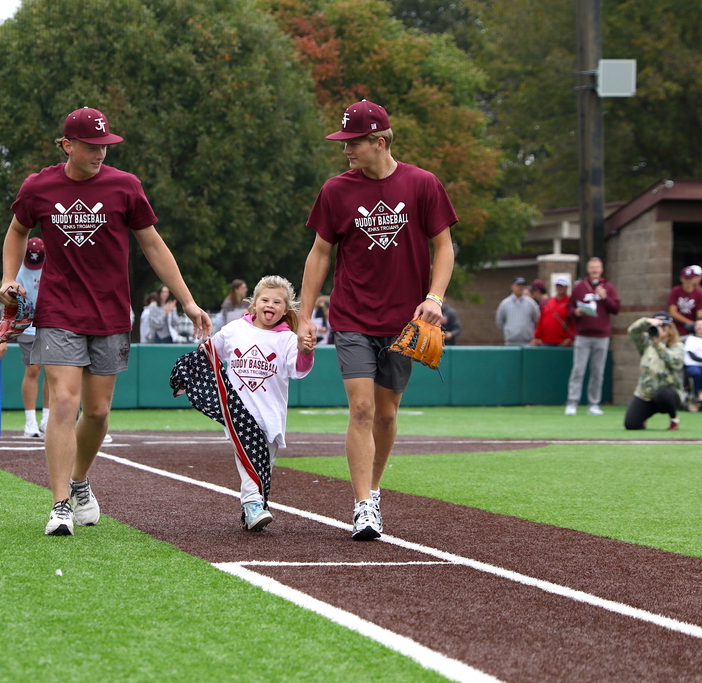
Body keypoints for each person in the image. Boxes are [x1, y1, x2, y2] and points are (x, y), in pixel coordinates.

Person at [0, 106, 211, 536]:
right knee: (62, 402)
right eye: (92, 146)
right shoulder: (38, 186)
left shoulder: (125, 186)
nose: (100, 153)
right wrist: (8, 278)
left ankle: (79, 483)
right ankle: (59, 504)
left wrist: (187, 301)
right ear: (67, 145)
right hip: (58, 311)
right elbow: (17, 231)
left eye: (105, 146)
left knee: (96, 412)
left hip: (112, 313)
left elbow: (153, 245)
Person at [298, 100, 457, 540]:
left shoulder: (422, 184)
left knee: (386, 415)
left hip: (404, 322)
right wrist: (305, 315)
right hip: (351, 317)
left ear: (380, 142)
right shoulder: (336, 190)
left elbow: (443, 247)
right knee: (362, 408)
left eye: (354, 142)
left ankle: (375, 487)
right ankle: (363, 505)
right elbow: (320, 253)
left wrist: (434, 297)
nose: (346, 149)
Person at [206, 275, 315, 530]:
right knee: (249, 457)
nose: (270, 305)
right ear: (253, 304)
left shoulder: (287, 339)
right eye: (265, 300)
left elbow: (297, 369)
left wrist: (306, 352)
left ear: (285, 310)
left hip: (271, 414)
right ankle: (253, 504)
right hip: (240, 412)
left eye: (277, 302)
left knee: (264, 464)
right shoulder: (235, 330)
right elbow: (211, 352)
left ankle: (254, 505)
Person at [0, 237, 51, 437]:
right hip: (27, 326)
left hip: (50, 323)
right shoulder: (17, 271)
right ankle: (30, 423)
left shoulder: (53, 267)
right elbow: (9, 304)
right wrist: (2, 338)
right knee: (33, 369)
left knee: (52, 372)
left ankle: (47, 420)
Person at [565, 257, 620, 416]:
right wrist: (576, 312)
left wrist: (605, 297)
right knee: (578, 370)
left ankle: (593, 404)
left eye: (597, 267)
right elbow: (570, 306)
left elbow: (616, 308)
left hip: (602, 336)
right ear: (587, 270)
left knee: (597, 372)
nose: (595, 270)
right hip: (583, 335)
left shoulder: (608, 287)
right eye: (592, 267)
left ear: (602, 269)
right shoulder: (580, 287)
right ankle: (572, 402)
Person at [623, 313, 685, 431]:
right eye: (658, 326)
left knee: (663, 395)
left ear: (670, 328)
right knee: (631, 424)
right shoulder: (646, 343)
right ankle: (644, 417)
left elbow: (674, 362)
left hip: (669, 393)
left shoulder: (678, 346)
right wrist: (647, 321)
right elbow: (632, 331)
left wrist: (658, 344)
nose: (660, 329)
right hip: (646, 393)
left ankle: (674, 419)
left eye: (663, 326)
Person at [495, 276, 540, 345]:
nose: (520, 287)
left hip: (528, 342)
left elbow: (537, 320)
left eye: (522, 285)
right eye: (518, 285)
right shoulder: (505, 304)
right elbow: (500, 322)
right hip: (510, 342)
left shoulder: (531, 303)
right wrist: (509, 331)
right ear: (512, 287)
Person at [532, 276, 574, 346]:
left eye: (562, 286)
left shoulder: (571, 302)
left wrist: (571, 338)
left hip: (563, 342)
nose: (559, 288)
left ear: (567, 287)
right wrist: (536, 337)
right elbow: (541, 321)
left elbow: (575, 322)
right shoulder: (549, 302)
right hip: (546, 341)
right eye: (558, 286)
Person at [668, 266, 702, 332]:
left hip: (691, 330)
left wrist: (696, 325)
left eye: (690, 278)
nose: (688, 281)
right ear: (681, 278)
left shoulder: (699, 293)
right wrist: (690, 323)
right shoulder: (676, 291)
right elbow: (673, 312)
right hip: (676, 328)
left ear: (694, 279)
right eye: (686, 278)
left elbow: (700, 314)